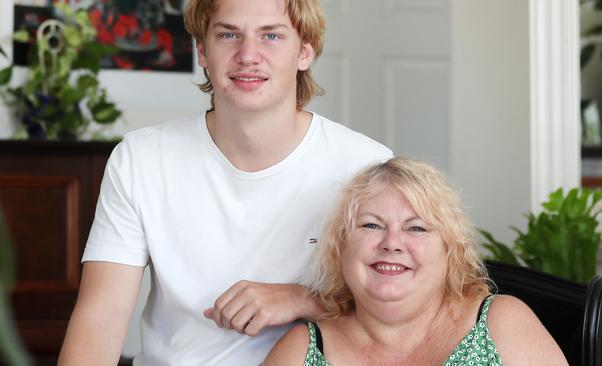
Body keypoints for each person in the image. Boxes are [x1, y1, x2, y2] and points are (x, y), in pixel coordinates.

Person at [58, 0, 391, 364]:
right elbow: (100, 319)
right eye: (229, 34)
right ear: (202, 51)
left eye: (271, 36)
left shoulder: (365, 165)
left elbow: (401, 315)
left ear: (305, 52)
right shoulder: (140, 158)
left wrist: (302, 299)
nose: (248, 55)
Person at [265, 158, 569, 366]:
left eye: (416, 228)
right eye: (371, 225)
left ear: (450, 251)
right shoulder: (301, 352)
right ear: (340, 247)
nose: (392, 243)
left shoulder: (501, 324)